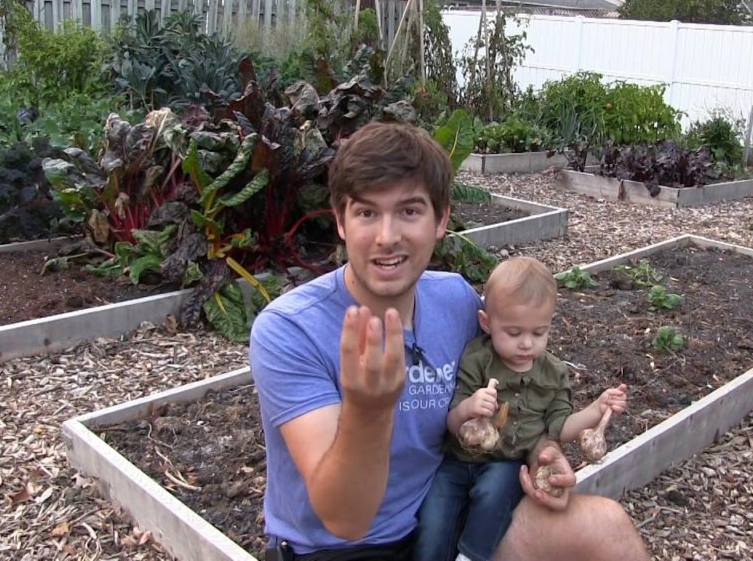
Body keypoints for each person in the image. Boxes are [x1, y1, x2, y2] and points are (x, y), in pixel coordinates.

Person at [249, 121, 650, 561]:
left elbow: (517, 392)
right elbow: (345, 519)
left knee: (607, 530)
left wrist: (542, 456)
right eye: (367, 213)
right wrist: (368, 409)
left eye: (409, 211)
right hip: (336, 550)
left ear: (441, 220)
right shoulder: (289, 330)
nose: (387, 236)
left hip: (438, 516)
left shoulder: (456, 300)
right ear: (341, 221)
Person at [414, 256, 629, 561]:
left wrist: (596, 409)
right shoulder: (478, 359)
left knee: (494, 496)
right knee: (434, 515)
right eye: (514, 333)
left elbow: (560, 427)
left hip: (507, 463)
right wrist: (470, 409)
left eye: (538, 333)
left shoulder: (553, 373)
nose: (527, 344)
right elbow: (452, 422)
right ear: (486, 323)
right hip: (458, 459)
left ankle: (472, 556)